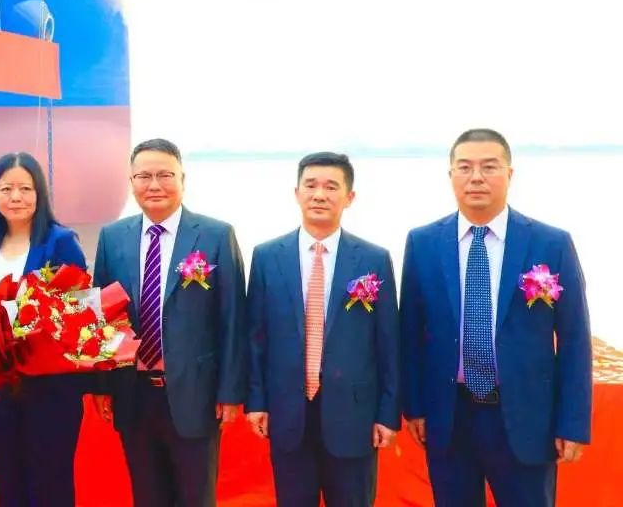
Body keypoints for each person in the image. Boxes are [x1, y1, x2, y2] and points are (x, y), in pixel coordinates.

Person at [399, 128, 592, 506]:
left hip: (527, 417)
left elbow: (574, 339)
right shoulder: (423, 242)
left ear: (509, 174)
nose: (476, 177)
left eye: (489, 167)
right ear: (451, 175)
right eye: (465, 167)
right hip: (449, 416)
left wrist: (572, 422)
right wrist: (415, 407)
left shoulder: (551, 243)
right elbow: (410, 333)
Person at [92, 138, 247, 507]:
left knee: (196, 497)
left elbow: (233, 319)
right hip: (133, 392)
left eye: (165, 175)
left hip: (196, 393)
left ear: (182, 179)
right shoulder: (113, 237)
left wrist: (229, 391)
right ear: (131, 181)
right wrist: (101, 384)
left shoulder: (215, 235)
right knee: (147, 496)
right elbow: (101, 318)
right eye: (143, 176)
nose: (154, 185)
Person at [245, 152, 398, 506]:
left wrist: (388, 412)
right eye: (311, 185)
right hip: (287, 412)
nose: (319, 195)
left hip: (354, 416)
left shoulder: (373, 259)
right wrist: (256, 401)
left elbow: (388, 341)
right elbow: (256, 336)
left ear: (349, 197)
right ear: (296, 193)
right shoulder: (267, 256)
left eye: (331, 187)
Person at [0, 152, 88, 507]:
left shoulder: (61, 241)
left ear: (39, 193)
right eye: (6, 189)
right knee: (9, 484)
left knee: (50, 485)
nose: (15, 197)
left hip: (50, 387)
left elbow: (79, 306)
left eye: (25, 189)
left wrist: (24, 327)